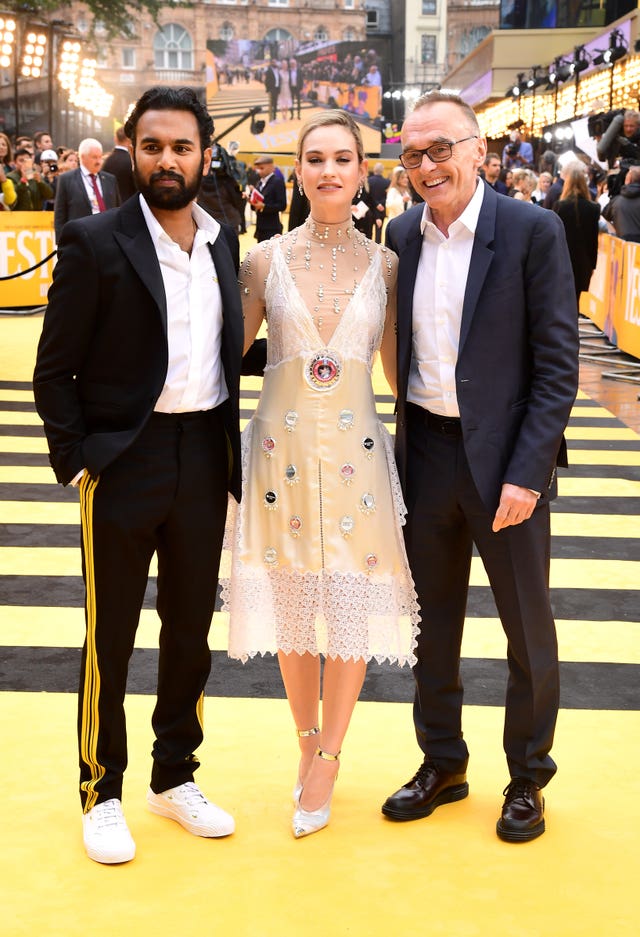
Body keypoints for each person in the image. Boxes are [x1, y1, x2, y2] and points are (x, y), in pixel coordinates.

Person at [33, 85, 262, 865]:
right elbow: (54, 369)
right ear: (131, 146)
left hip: (203, 457)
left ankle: (175, 777)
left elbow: (228, 345)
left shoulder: (222, 240)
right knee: (112, 636)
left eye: (183, 146)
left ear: (205, 154)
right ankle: (101, 789)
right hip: (123, 461)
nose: (169, 160)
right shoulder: (95, 241)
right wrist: (80, 463)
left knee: (190, 634)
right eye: (155, 145)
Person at [381, 91, 578, 843]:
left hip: (505, 461)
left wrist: (528, 473)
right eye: (413, 156)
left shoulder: (533, 230)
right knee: (432, 626)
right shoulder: (401, 233)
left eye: (441, 150)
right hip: (425, 453)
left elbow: (557, 365)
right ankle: (443, 761)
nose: (428, 167)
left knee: (528, 629)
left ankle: (527, 776)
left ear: (477, 151)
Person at [223, 109, 420, 839]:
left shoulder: (388, 265)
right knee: (295, 609)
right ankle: (305, 742)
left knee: (349, 610)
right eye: (316, 158)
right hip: (279, 456)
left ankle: (331, 755)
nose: (330, 170)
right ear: (297, 170)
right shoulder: (262, 262)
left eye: (344, 158)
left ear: (363, 170)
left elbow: (403, 375)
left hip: (358, 459)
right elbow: (221, 361)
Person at [53, 137, 120, 241]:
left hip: (107, 238)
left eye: (100, 157)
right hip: (80, 240)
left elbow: (117, 210)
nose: (99, 161)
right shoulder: (66, 179)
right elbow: (60, 215)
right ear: (82, 157)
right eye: (94, 157)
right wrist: (61, 242)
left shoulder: (110, 179)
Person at [554, 162, 601, 302]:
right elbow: (593, 239)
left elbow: (556, 236)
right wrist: (593, 263)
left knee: (562, 299)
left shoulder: (560, 206)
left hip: (563, 257)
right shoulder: (593, 208)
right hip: (583, 259)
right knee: (576, 298)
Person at [251, 154, 287, 241]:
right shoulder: (259, 182)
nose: (259, 171)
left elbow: (282, 205)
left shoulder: (277, 182)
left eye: (262, 168)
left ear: (271, 167)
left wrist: (264, 207)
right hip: (260, 226)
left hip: (272, 228)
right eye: (258, 169)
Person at [602, 164, 640, 242]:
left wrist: (614, 233)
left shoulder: (616, 201)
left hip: (622, 249)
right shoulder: (616, 201)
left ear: (627, 180)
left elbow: (603, 218)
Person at [102, 126, 137, 201]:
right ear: (129, 139)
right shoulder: (132, 161)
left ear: (115, 139)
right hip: (129, 204)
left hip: (110, 205)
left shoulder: (107, 160)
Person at [368, 161, 389, 243]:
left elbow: (368, 196)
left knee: (369, 231)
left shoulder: (368, 181)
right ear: (382, 170)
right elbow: (387, 197)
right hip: (381, 209)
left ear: (374, 169)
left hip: (371, 209)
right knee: (379, 232)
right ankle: (378, 251)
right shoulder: (387, 182)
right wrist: (380, 204)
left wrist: (376, 204)